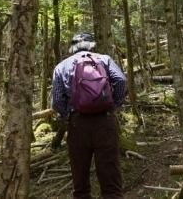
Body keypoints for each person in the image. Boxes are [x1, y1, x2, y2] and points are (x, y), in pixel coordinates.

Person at [51, 32, 127, 199]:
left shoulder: (62, 66)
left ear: (72, 47)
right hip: (104, 123)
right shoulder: (105, 59)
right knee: (112, 186)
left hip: (77, 126)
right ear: (91, 45)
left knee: (80, 187)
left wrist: (66, 115)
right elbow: (121, 81)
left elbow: (56, 101)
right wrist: (115, 106)